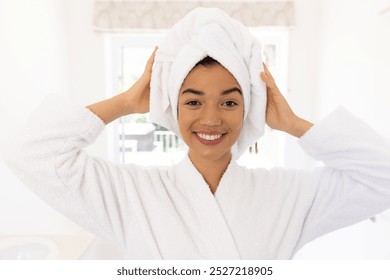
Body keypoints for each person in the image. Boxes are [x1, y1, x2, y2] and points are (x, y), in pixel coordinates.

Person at [1, 46, 390, 259]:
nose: (210, 119)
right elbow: (31, 154)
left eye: (229, 102)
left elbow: (382, 177)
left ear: (248, 109)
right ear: (172, 107)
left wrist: (293, 124)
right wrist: (124, 102)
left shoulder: (288, 195)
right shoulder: (131, 193)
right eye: (192, 102)